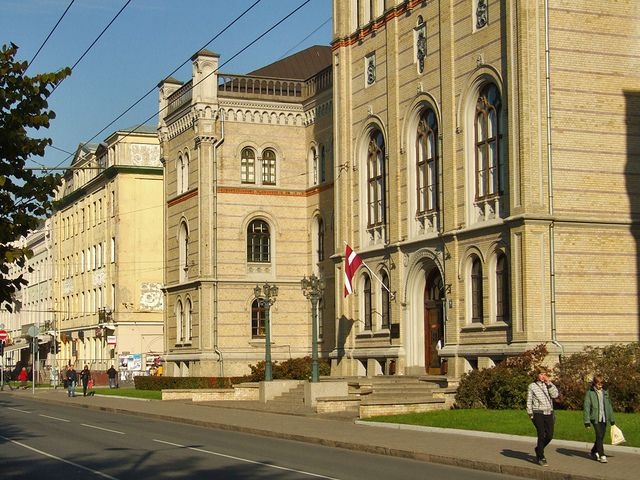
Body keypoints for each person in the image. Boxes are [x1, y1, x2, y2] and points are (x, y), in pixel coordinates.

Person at [526, 366, 559, 466]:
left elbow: (555, 395)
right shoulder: (532, 386)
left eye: (544, 374)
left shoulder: (549, 384)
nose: (543, 376)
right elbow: (529, 400)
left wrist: (549, 383)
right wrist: (530, 413)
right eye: (541, 374)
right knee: (541, 434)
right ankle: (541, 456)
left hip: (549, 412)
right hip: (537, 412)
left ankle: (538, 448)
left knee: (549, 435)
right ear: (537, 375)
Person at [583, 374, 615, 463]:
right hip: (595, 418)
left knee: (601, 436)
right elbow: (586, 407)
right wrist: (587, 421)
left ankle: (593, 451)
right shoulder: (590, 393)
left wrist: (612, 419)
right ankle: (602, 455)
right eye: (598, 384)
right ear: (594, 383)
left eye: (601, 384)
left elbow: (609, 406)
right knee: (599, 435)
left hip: (604, 417)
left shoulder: (605, 392)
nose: (600, 386)